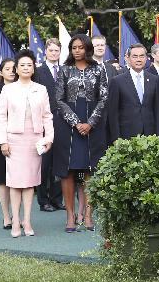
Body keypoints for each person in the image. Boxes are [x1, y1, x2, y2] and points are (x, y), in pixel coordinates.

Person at [53, 34, 109, 233]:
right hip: (68, 125)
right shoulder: (64, 70)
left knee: (90, 170)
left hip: (93, 125)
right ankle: (70, 215)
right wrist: (76, 123)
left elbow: (104, 98)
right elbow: (59, 100)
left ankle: (88, 214)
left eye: (80, 47)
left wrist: (90, 123)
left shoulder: (98, 69)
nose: (77, 51)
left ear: (87, 49)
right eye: (73, 48)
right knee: (68, 171)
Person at [0, 50, 54, 238]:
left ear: (33, 67)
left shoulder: (41, 89)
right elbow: (2, 117)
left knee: (30, 182)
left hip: (34, 140)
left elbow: (47, 116)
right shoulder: (8, 89)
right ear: (16, 68)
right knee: (15, 182)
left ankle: (27, 220)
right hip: (14, 140)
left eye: (29, 65)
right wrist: (3, 141)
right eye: (22, 65)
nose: (26, 68)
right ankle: (14, 221)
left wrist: (49, 138)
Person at [32, 38, 64, 213]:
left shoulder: (65, 70)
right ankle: (43, 199)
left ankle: (57, 198)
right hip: (44, 122)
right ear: (45, 51)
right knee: (44, 163)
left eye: (56, 51)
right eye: (51, 50)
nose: (54, 53)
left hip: (63, 122)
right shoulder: (38, 71)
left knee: (60, 162)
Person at [107, 43, 158, 142]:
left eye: (142, 56)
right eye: (135, 56)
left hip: (151, 135)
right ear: (128, 58)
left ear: (146, 58)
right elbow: (113, 112)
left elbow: (157, 108)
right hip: (126, 136)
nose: (138, 59)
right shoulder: (117, 81)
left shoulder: (154, 80)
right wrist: (116, 139)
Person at [0, 58, 16, 228]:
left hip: (21, 141)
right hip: (1, 142)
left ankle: (18, 216)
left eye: (14, 68)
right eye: (8, 69)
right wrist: (3, 140)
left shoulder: (24, 89)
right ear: (1, 72)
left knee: (19, 182)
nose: (12, 71)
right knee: (3, 182)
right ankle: (6, 217)